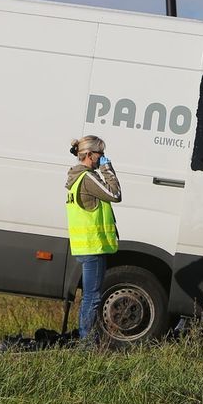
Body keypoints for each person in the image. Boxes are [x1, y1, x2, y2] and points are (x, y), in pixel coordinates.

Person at [65, 135, 122, 347]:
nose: (103, 158)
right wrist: (108, 170)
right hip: (93, 245)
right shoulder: (88, 178)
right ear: (89, 155)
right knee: (93, 297)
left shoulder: (76, 177)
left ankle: (86, 339)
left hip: (85, 245)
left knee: (90, 296)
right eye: (101, 155)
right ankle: (87, 342)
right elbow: (115, 194)